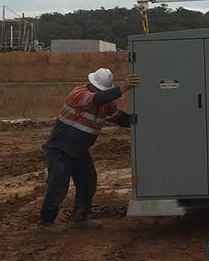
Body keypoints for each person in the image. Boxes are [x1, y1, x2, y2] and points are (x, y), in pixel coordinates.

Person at [38, 67, 138, 227]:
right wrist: (123, 88)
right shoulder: (78, 94)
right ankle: (45, 223)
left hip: (79, 151)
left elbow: (118, 117)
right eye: (99, 89)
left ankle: (80, 218)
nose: (101, 92)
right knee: (58, 188)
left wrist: (139, 120)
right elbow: (97, 98)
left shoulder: (106, 103)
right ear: (91, 85)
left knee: (88, 182)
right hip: (61, 149)